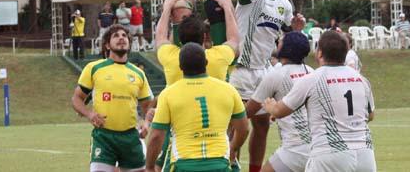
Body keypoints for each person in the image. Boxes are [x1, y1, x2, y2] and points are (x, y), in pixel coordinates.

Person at [230, 0, 303, 172]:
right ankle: (230, 164)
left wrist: (296, 29)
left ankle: (253, 169)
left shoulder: (284, 5)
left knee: (262, 125)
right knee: (238, 124)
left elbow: (287, 33)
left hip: (265, 70)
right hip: (242, 69)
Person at [263, 31, 376, 172]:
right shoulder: (361, 79)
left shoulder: (312, 79)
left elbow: (280, 111)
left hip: (330, 155)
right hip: (365, 156)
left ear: (320, 53)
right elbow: (370, 116)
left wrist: (271, 107)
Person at [145, 42, 249, 172]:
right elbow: (244, 128)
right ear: (206, 63)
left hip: (183, 164)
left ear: (180, 66)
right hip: (219, 163)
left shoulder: (168, 94)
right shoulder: (229, 90)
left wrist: (149, 167)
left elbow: (156, 136)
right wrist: (233, 148)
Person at [71, 24, 154, 172]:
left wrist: (146, 123)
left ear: (129, 44)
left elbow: (148, 105)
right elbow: (77, 99)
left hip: (131, 137)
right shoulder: (94, 68)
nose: (121, 38)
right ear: (107, 45)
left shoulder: (138, 73)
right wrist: (90, 114)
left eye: (124, 36)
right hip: (104, 137)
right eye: (116, 36)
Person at [246, 31, 313, 172]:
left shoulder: (276, 75)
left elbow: (248, 112)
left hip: (294, 149)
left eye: (281, 40)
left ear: (287, 48)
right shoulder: (311, 71)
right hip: (319, 147)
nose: (278, 42)